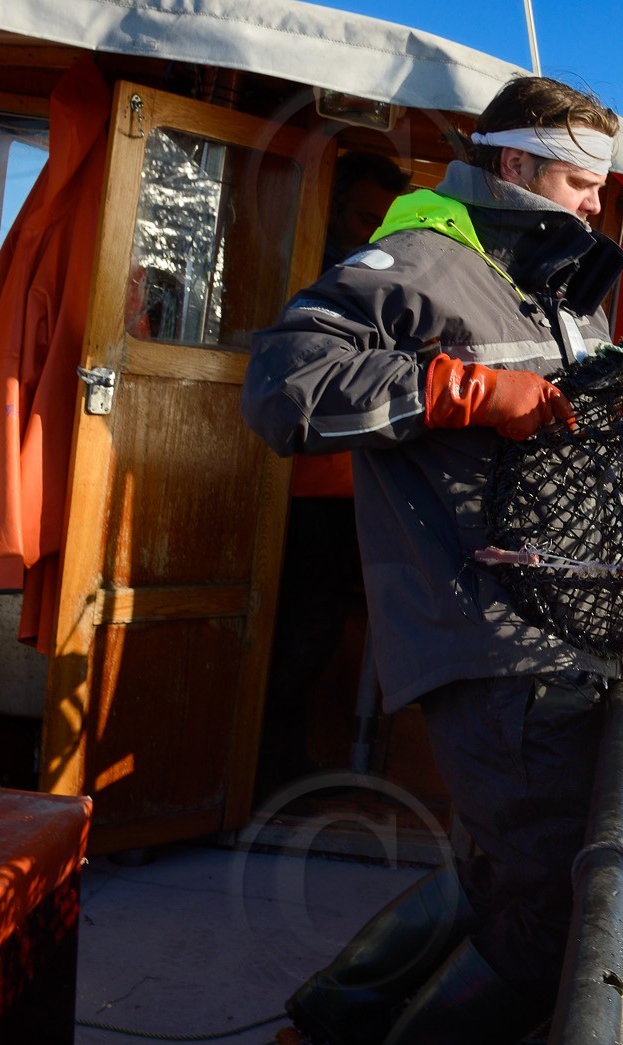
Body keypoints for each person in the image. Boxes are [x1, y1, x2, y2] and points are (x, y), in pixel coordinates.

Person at [241, 77, 623, 1045]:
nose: (596, 204)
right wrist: (459, 388)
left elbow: (568, 437)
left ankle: (326, 1026)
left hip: (557, 628)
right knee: (550, 924)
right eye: (583, 181)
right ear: (516, 164)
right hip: (494, 641)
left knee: (489, 867)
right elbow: (283, 383)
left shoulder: (551, 290)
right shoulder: (421, 263)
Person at [256, 152, 410, 797]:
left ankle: (281, 760)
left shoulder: (386, 278)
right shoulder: (312, 278)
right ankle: (267, 764)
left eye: (382, 223)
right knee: (303, 623)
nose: (370, 233)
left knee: (320, 625)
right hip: (303, 490)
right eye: (361, 216)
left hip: (354, 489)